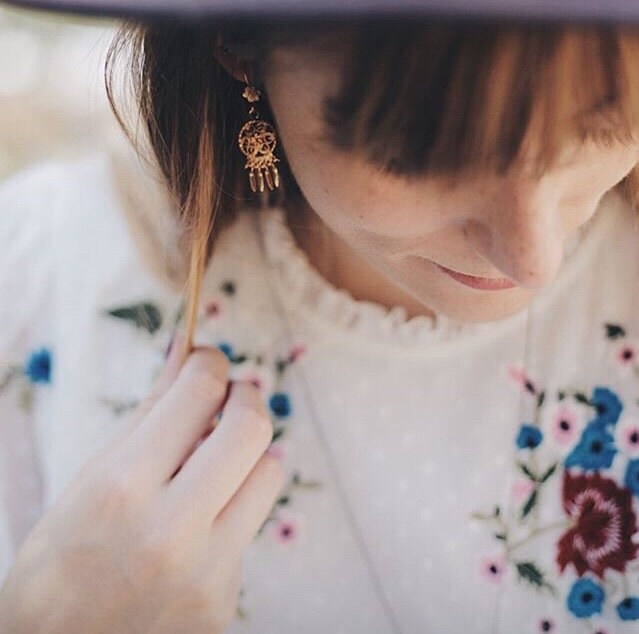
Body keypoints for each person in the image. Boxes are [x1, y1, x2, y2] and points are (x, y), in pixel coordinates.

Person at [2, 1, 639, 632]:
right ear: (240, 41)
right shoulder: (39, 280)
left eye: (606, 127)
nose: (533, 258)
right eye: (422, 153)